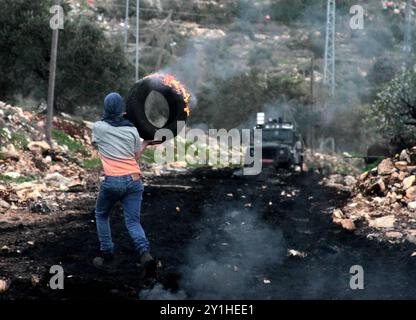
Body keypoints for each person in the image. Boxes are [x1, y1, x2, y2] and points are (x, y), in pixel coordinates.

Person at [91, 92, 155, 275]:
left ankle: (107, 255)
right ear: (122, 109)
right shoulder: (132, 130)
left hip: (113, 181)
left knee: (102, 214)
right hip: (134, 180)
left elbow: (97, 142)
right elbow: (134, 156)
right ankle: (145, 254)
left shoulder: (99, 127)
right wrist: (146, 143)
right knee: (133, 221)